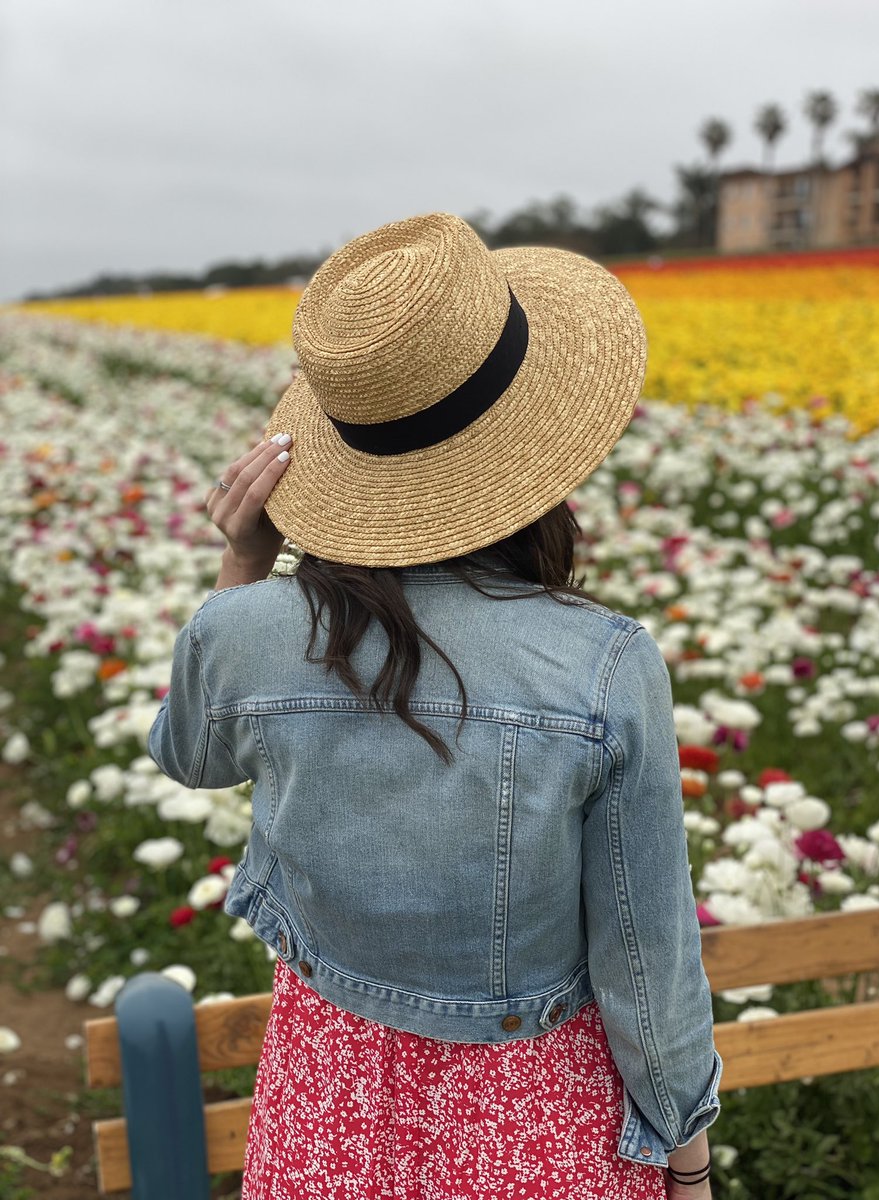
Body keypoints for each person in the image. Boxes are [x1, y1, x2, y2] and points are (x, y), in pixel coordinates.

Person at [148, 212, 722, 1200]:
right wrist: (689, 1156)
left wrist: (244, 560)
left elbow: (188, 754)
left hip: (326, 1104)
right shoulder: (601, 664)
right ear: (532, 441)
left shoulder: (244, 630)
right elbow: (644, 948)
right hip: (535, 1112)